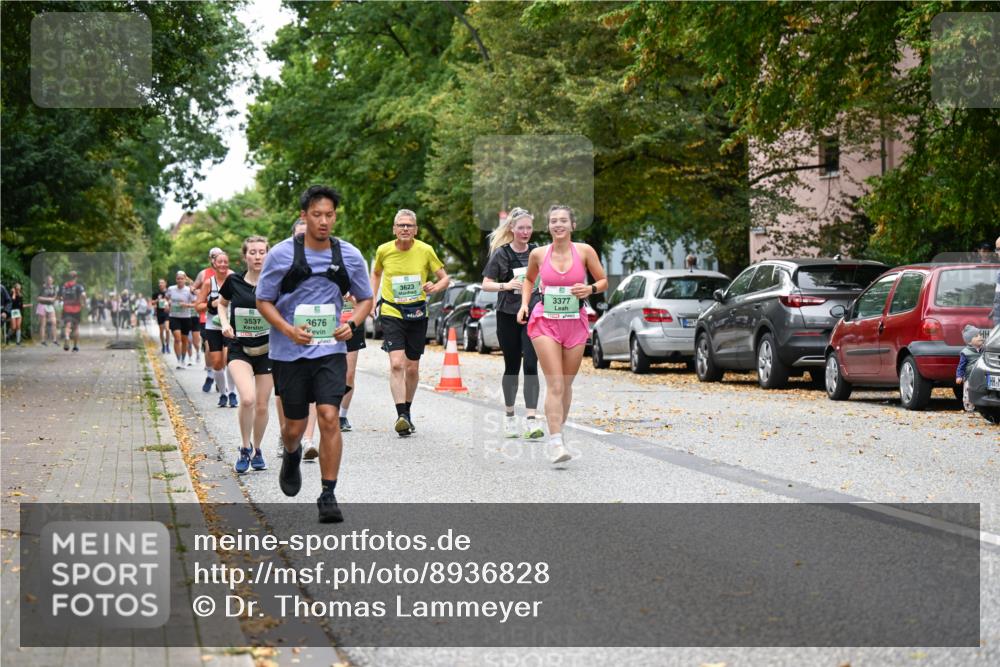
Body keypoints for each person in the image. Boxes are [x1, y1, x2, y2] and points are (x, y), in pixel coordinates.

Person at [256, 185, 373, 523]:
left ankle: (327, 494)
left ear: (335, 217)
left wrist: (354, 323)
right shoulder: (281, 255)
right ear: (304, 216)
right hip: (289, 353)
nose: (323, 221)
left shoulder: (348, 255)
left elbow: (365, 298)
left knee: (328, 416)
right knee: (294, 426)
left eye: (329, 215)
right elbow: (263, 300)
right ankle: (291, 453)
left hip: (329, 350)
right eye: (317, 215)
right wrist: (288, 329)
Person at [517, 204, 608, 464]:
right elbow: (528, 280)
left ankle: (558, 430)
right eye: (553, 221)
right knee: (555, 382)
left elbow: (602, 281)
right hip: (545, 320)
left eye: (563, 221)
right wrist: (525, 304)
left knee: (566, 384)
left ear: (572, 225)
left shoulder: (584, 251)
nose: (558, 225)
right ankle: (556, 442)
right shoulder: (538, 254)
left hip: (575, 322)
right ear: (548, 226)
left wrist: (589, 289)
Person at [371, 209, 449, 436]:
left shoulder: (425, 250)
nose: (405, 229)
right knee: (397, 363)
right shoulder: (384, 250)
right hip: (391, 310)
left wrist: (434, 286)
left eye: (409, 225)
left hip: (417, 312)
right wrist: (370, 299)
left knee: (412, 367)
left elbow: (445, 278)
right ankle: (401, 415)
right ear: (394, 229)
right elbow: (376, 274)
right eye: (401, 225)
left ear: (415, 229)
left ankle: (407, 410)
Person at [481, 207, 543, 439]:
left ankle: (531, 421)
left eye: (529, 227)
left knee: (531, 365)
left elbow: (548, 275)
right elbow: (486, 283)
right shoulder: (501, 254)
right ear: (512, 229)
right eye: (521, 228)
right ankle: (509, 417)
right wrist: (505, 286)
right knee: (512, 366)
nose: (525, 232)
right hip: (507, 315)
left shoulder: (538, 251)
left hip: (533, 314)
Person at [219, 236, 273, 473]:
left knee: (261, 405)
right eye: (253, 252)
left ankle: (258, 448)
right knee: (248, 398)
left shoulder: (274, 283)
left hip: (268, 350)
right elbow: (221, 304)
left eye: (262, 252)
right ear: (245, 256)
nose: (258, 256)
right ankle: (244, 447)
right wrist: (224, 324)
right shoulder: (233, 281)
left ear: (268, 255)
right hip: (240, 348)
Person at [197, 251, 237, 408]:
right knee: (217, 363)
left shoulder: (234, 279)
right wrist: (211, 304)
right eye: (219, 262)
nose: (223, 265)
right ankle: (223, 394)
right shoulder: (209, 283)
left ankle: (232, 393)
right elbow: (198, 307)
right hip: (212, 326)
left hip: (230, 326)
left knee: (230, 360)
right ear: (214, 264)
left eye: (225, 262)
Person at [339, 293, 366, 432]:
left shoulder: (355, 273)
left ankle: (342, 416)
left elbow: (365, 304)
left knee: (349, 374)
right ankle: (328, 411)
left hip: (352, 326)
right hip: (329, 326)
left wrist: (351, 298)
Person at [167, 271, 195, 368]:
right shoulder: (171, 289)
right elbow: (167, 299)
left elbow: (195, 304)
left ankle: (183, 359)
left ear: (184, 280)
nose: (180, 280)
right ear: (176, 279)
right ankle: (178, 360)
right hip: (174, 317)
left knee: (184, 341)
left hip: (186, 318)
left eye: (182, 278)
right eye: (178, 278)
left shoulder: (188, 290)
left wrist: (186, 305)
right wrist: (168, 304)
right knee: (177, 339)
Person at [956, 324, 986, 412]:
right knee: (968, 391)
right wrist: (959, 376)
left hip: (981, 376)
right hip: (969, 377)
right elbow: (961, 366)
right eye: (976, 336)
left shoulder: (984, 349)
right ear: (969, 342)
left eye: (980, 335)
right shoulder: (965, 353)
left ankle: (982, 407)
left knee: (981, 391)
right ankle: (969, 407)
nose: (980, 337)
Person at [60, 271, 87, 352]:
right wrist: (83, 303)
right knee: (76, 327)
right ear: (76, 277)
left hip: (66, 308)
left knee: (67, 326)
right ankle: (75, 347)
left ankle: (67, 337)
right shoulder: (79, 286)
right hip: (76, 309)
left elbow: (59, 297)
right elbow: (83, 295)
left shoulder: (64, 286)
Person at [36, 275, 58, 346]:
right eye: (48, 280)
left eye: (50, 280)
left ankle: (54, 340)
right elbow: (38, 298)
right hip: (42, 305)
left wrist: (54, 299)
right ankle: (43, 341)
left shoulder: (54, 288)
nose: (49, 281)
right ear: (46, 281)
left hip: (50, 306)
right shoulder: (42, 288)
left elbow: (55, 297)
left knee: (54, 322)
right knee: (43, 324)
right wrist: (48, 299)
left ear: (52, 281)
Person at [154, 279, 171, 353]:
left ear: (165, 284)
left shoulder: (169, 292)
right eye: (159, 283)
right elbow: (152, 302)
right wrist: (157, 300)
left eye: (162, 283)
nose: (160, 284)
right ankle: (163, 345)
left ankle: (167, 345)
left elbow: (172, 300)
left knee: (167, 329)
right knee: (161, 330)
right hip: (159, 313)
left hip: (167, 312)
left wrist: (168, 302)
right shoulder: (156, 293)